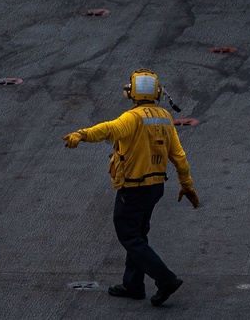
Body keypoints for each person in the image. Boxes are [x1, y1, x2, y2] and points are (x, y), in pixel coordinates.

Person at [63, 68, 200, 306]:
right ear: (158, 93)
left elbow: (108, 129)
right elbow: (178, 156)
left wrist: (81, 134)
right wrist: (187, 184)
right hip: (155, 187)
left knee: (129, 236)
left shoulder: (132, 117)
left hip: (134, 188)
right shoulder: (166, 118)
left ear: (131, 93)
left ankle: (165, 279)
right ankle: (133, 284)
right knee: (139, 233)